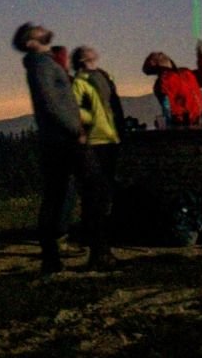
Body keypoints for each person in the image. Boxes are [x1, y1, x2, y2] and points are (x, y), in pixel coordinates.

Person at [11, 22, 85, 276]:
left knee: (62, 191)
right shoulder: (40, 64)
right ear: (30, 41)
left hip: (60, 137)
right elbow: (51, 102)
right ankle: (51, 254)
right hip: (60, 139)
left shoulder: (45, 61)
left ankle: (55, 249)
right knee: (58, 193)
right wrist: (75, 129)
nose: (42, 27)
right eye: (35, 29)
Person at [71, 45, 124, 270]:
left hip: (108, 141)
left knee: (104, 197)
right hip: (93, 144)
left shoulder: (103, 77)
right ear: (83, 59)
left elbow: (113, 106)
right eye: (88, 51)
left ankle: (103, 250)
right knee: (96, 198)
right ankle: (99, 253)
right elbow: (75, 112)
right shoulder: (79, 82)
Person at [142, 40, 202, 126]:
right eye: (156, 55)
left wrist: (200, 55)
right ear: (154, 63)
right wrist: (184, 121)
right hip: (186, 129)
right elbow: (168, 108)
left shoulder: (185, 72)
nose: (160, 53)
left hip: (201, 123)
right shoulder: (164, 82)